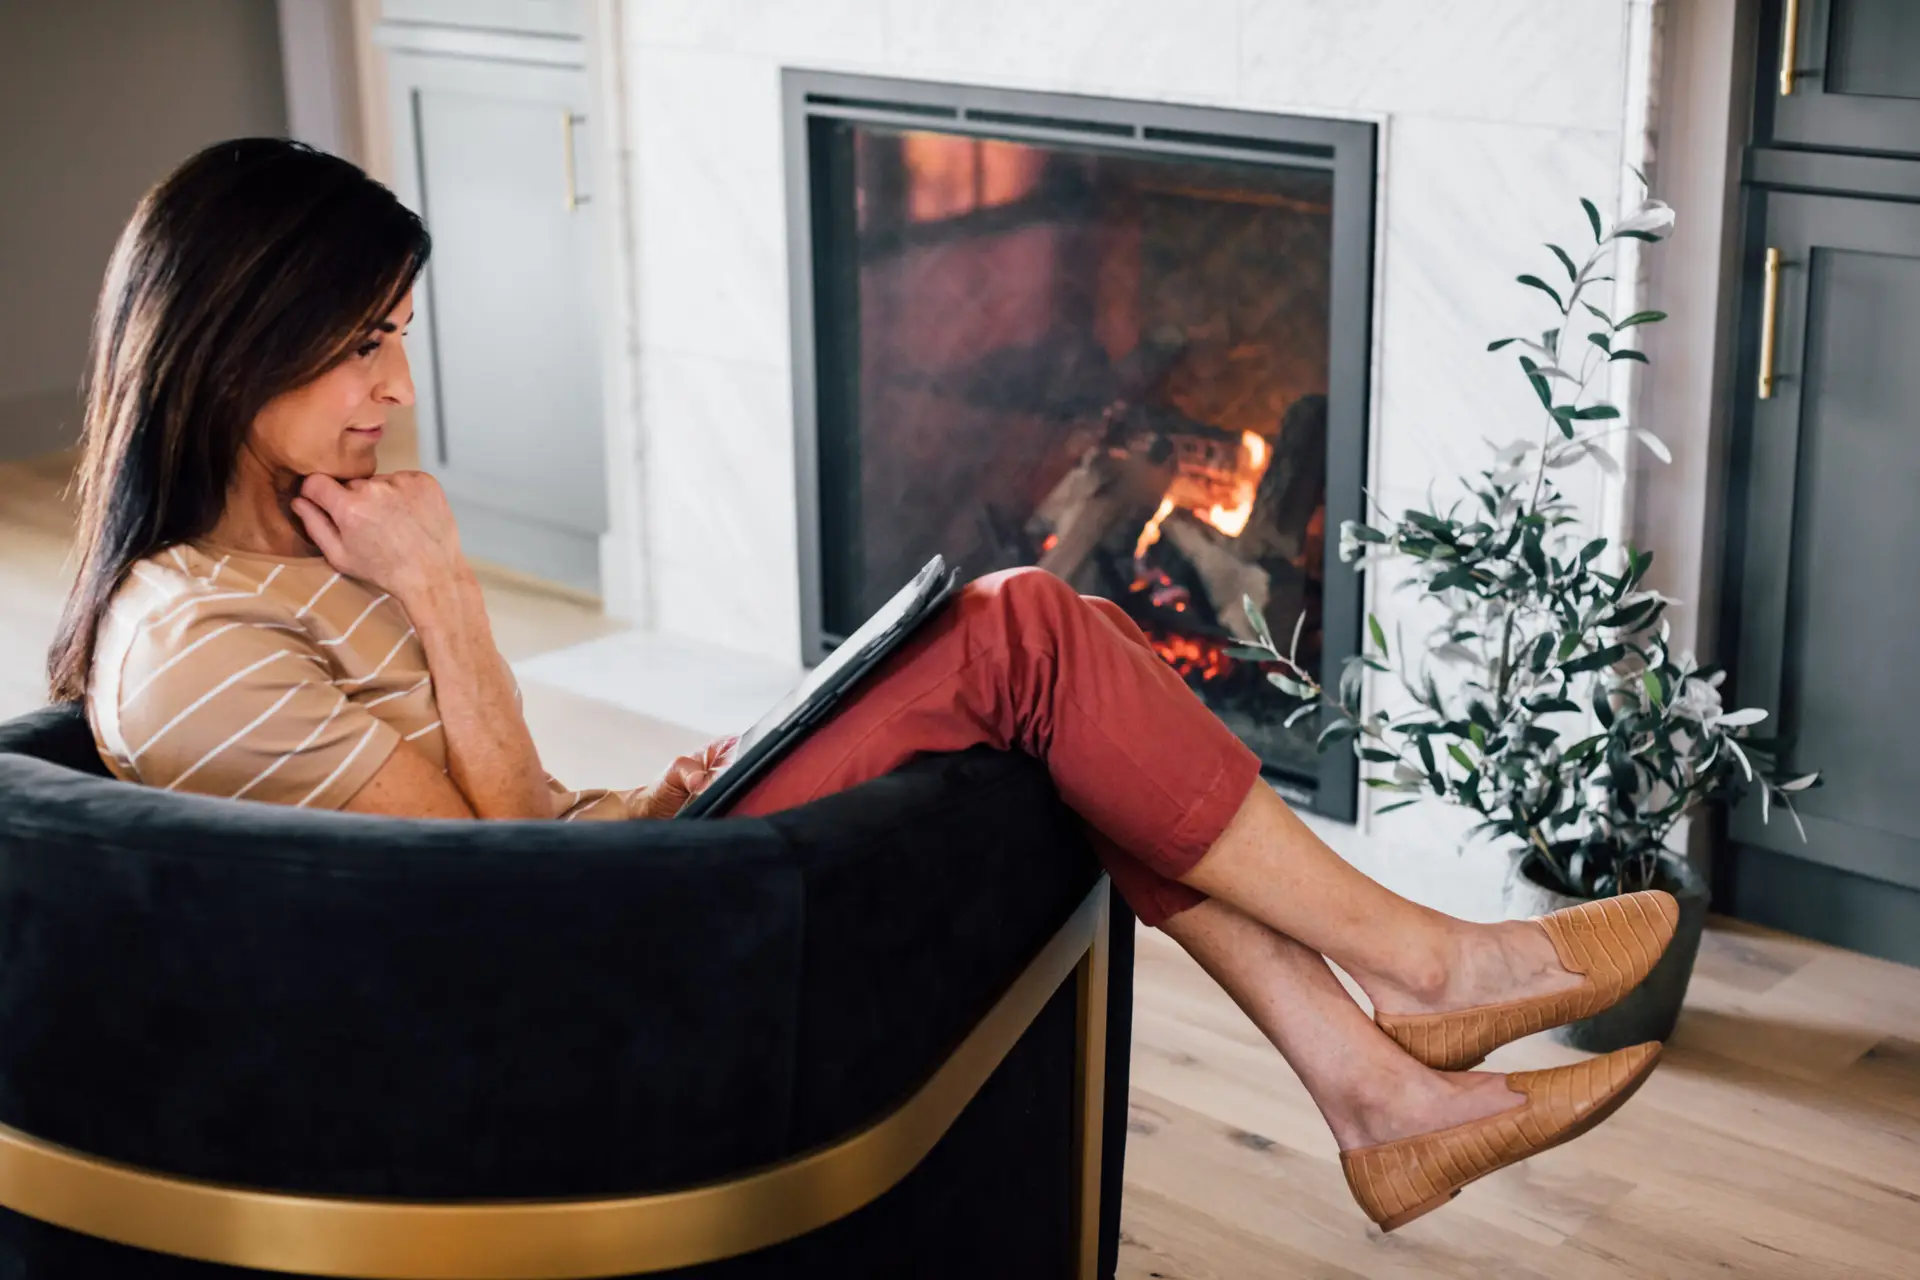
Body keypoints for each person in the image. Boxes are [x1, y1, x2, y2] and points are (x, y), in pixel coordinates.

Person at [50, 139, 1675, 1233]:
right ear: (229, 342)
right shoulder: (199, 644)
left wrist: (645, 792)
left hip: (604, 879)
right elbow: (492, 882)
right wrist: (450, 595)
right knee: (1031, 631)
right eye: (358, 344)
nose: (397, 388)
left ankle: (1379, 1087)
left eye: (396, 334)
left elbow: (512, 819)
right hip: (587, 967)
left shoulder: (316, 544)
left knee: (1053, 678)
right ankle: (1424, 975)